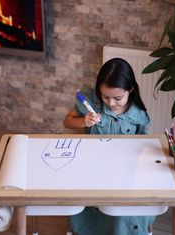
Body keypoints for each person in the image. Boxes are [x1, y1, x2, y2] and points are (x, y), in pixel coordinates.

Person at [63, 58, 154, 235]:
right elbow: (67, 121)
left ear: (131, 90)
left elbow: (144, 144)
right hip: (93, 167)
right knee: (93, 205)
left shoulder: (138, 114)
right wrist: (84, 121)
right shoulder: (92, 102)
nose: (111, 103)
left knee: (120, 210)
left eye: (118, 98)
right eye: (106, 97)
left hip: (124, 172)